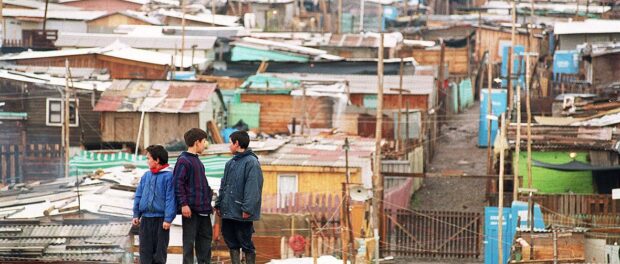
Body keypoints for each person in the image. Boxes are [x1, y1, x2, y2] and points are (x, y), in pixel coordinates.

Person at [215, 131, 263, 264]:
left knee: (246, 243)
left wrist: (247, 209)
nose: (229, 146)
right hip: (228, 211)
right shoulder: (230, 163)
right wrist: (219, 204)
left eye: (230, 143)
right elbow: (223, 185)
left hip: (241, 212)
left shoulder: (251, 163)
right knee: (232, 242)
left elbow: (253, 188)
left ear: (237, 144)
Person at [173, 128, 213, 264]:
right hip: (191, 211)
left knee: (205, 245)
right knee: (189, 245)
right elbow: (178, 184)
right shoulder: (184, 161)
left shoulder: (198, 162)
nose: (205, 145)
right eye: (204, 142)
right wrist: (184, 204)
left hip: (204, 210)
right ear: (197, 142)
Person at [132, 145, 176, 264]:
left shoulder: (169, 176)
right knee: (145, 254)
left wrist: (168, 219)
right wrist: (136, 214)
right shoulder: (146, 175)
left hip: (161, 221)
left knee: (159, 255)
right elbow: (138, 195)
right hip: (145, 220)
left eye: (148, 158)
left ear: (157, 160)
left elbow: (170, 199)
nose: (147, 161)